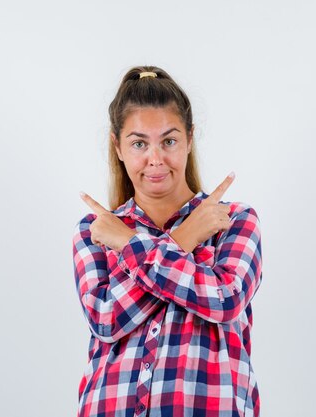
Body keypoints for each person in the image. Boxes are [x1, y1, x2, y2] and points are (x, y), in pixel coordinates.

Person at [71, 65, 263, 417]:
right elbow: (105, 319)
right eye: (139, 143)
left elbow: (225, 299)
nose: (155, 159)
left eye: (169, 141)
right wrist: (185, 239)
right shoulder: (96, 230)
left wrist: (130, 246)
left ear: (190, 139)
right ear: (118, 147)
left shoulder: (232, 220)